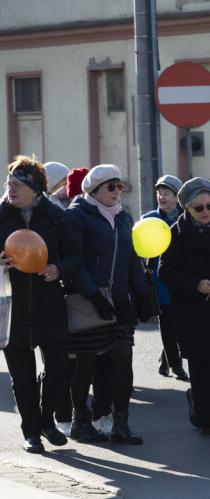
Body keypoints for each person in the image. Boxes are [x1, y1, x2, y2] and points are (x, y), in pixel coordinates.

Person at [64, 164, 153, 445]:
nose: (117, 192)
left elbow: (131, 259)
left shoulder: (124, 217)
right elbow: (74, 262)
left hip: (120, 300)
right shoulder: (77, 215)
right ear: (93, 190)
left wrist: (142, 293)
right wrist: (93, 295)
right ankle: (80, 422)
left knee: (123, 359)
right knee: (86, 362)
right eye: (110, 187)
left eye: (120, 186)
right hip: (90, 301)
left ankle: (120, 425)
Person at [0, 156, 82, 453]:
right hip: (12, 308)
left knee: (58, 368)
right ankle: (31, 432)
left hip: (49, 305)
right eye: (9, 182)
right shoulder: (0, 214)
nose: (10, 188)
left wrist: (59, 269)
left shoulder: (55, 215)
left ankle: (47, 422)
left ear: (35, 189)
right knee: (22, 377)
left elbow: (74, 255)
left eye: (17, 184)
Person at [158, 178, 210, 436]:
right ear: (187, 209)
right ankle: (209, 419)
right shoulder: (175, 233)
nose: (206, 212)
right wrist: (195, 284)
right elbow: (165, 271)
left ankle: (198, 397)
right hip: (193, 310)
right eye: (199, 208)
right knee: (202, 365)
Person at [141, 174, 188, 382]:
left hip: (184, 277)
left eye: (167, 193)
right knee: (168, 321)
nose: (162, 197)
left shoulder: (187, 218)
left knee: (182, 323)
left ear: (178, 197)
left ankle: (165, 359)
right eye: (159, 193)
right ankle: (176, 365)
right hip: (160, 280)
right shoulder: (149, 219)